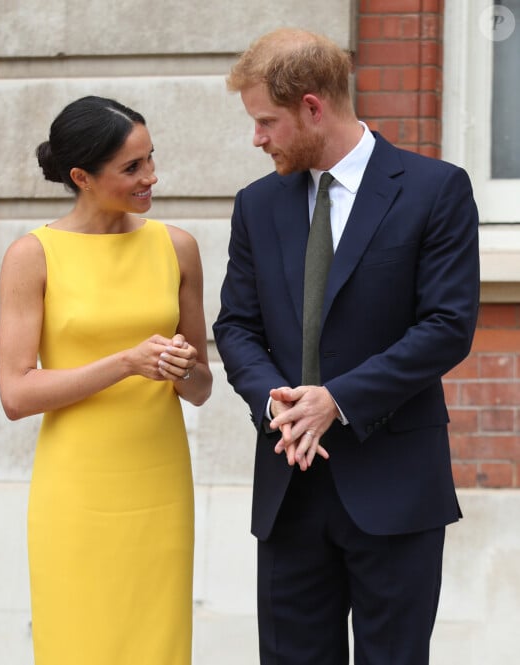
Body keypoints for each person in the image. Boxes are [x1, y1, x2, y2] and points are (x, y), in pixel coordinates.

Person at [213, 29, 479, 665]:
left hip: (394, 486)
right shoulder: (256, 205)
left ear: (312, 107)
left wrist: (337, 400)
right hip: (289, 489)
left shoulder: (434, 189)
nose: (258, 138)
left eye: (265, 121)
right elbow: (236, 326)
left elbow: (447, 325)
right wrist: (275, 402)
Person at [0, 95, 212, 665]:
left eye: (150, 159)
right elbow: (16, 395)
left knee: (157, 644)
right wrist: (124, 363)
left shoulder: (177, 248)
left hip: (159, 488)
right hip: (76, 490)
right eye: (132, 167)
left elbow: (201, 388)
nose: (151, 176)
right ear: (80, 177)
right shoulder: (32, 255)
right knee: (78, 641)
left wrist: (181, 368)